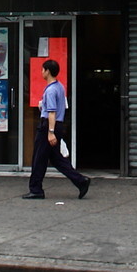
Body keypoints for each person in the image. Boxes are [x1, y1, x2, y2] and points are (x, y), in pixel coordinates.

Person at [23, 59, 88, 199]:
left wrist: (50, 132)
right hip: (56, 125)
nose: (41, 72)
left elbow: (51, 112)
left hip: (48, 126)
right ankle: (80, 181)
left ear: (47, 71)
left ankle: (36, 189)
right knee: (56, 159)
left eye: (42, 69)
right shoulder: (59, 87)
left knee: (38, 158)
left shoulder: (51, 90)